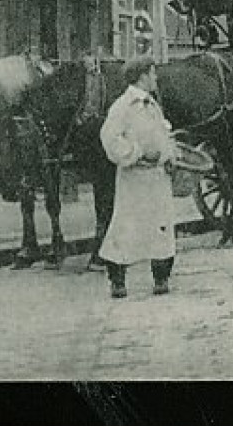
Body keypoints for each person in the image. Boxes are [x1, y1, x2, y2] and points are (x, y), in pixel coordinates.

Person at [97, 55, 179, 298]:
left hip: (157, 179)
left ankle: (161, 277)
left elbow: (164, 134)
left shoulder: (152, 105)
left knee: (160, 227)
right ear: (142, 76)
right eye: (153, 73)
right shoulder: (122, 106)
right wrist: (137, 154)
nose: (155, 78)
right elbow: (110, 139)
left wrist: (170, 155)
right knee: (125, 227)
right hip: (134, 180)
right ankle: (118, 281)